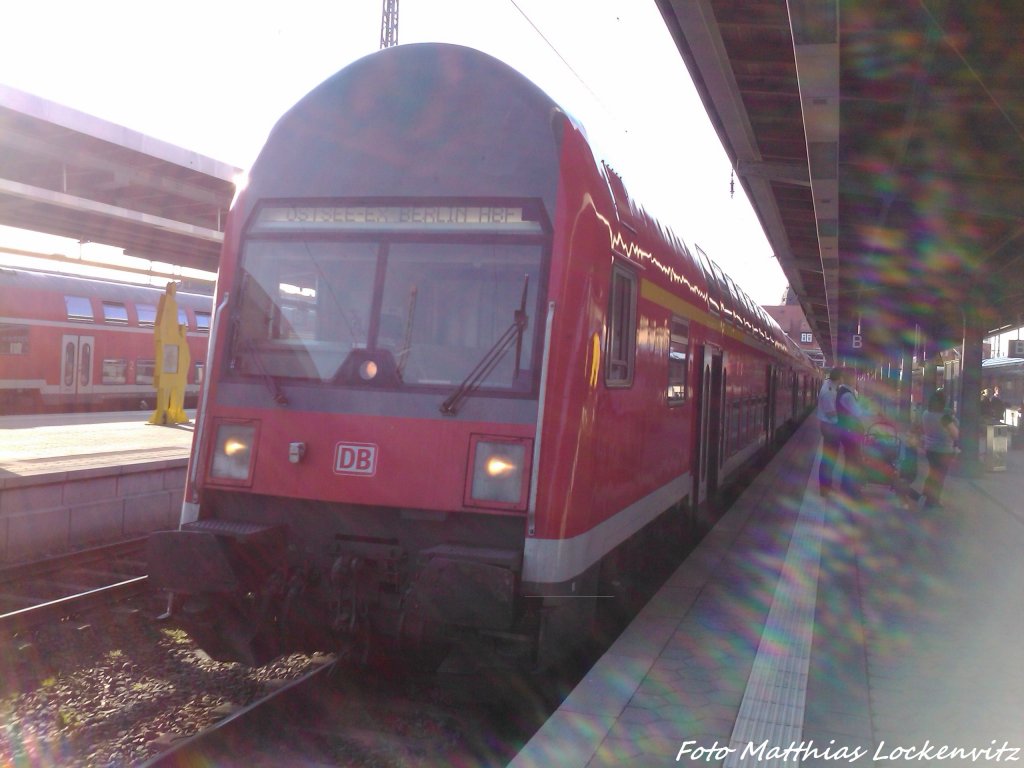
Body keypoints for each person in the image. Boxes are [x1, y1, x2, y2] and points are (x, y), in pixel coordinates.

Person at [921, 390, 959, 509]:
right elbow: (955, 434)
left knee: (932, 473)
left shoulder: (926, 413)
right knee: (940, 477)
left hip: (929, 449)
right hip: (943, 451)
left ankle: (927, 497)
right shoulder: (944, 418)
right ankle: (933, 501)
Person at [834, 368, 865, 498]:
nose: (856, 380)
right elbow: (858, 413)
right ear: (850, 379)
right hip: (850, 432)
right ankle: (850, 490)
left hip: (846, 431)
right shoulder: (847, 395)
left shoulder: (843, 392)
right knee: (853, 461)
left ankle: (845, 486)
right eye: (854, 377)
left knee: (849, 460)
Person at [816, 368, 841, 496]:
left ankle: (826, 486)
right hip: (830, 427)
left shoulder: (829, 387)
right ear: (839, 378)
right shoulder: (828, 392)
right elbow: (831, 414)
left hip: (829, 427)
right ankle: (824, 489)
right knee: (829, 459)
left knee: (830, 458)